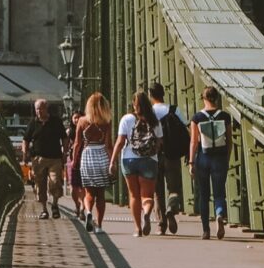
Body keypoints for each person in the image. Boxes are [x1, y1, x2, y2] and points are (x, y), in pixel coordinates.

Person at [114, 90, 163, 236]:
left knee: (134, 195)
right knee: (147, 196)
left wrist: (112, 161)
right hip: (149, 160)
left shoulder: (127, 119)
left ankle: (137, 228)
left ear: (133, 104)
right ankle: (147, 213)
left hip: (129, 159)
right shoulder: (154, 121)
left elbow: (120, 141)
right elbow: (160, 142)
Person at [190, 86, 236, 239]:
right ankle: (219, 213)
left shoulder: (197, 117)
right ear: (216, 98)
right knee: (219, 192)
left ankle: (205, 231)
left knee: (204, 195)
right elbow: (229, 141)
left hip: (203, 158)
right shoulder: (225, 116)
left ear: (203, 98)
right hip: (220, 158)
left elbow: (193, 142)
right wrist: (227, 158)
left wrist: (191, 162)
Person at [149, 83, 190, 235]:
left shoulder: (149, 112)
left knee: (157, 191)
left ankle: (161, 225)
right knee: (174, 188)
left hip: (153, 156)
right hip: (172, 155)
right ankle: (171, 209)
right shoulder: (174, 109)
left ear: (151, 95)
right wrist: (188, 152)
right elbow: (186, 129)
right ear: (163, 93)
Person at [72, 93, 114, 232]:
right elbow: (108, 145)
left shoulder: (82, 121)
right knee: (100, 194)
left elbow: (77, 144)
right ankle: (99, 225)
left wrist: (74, 161)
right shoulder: (106, 122)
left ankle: (88, 212)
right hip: (101, 155)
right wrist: (112, 161)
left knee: (89, 192)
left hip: (87, 156)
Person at [23, 98, 67, 219]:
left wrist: (65, 152)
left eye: (40, 108)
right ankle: (44, 210)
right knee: (40, 185)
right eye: (36, 109)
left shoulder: (56, 122)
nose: (38, 111)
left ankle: (54, 204)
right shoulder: (33, 123)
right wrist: (25, 154)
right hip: (38, 159)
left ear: (46, 108)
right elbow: (26, 139)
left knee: (55, 182)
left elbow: (64, 137)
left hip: (55, 158)